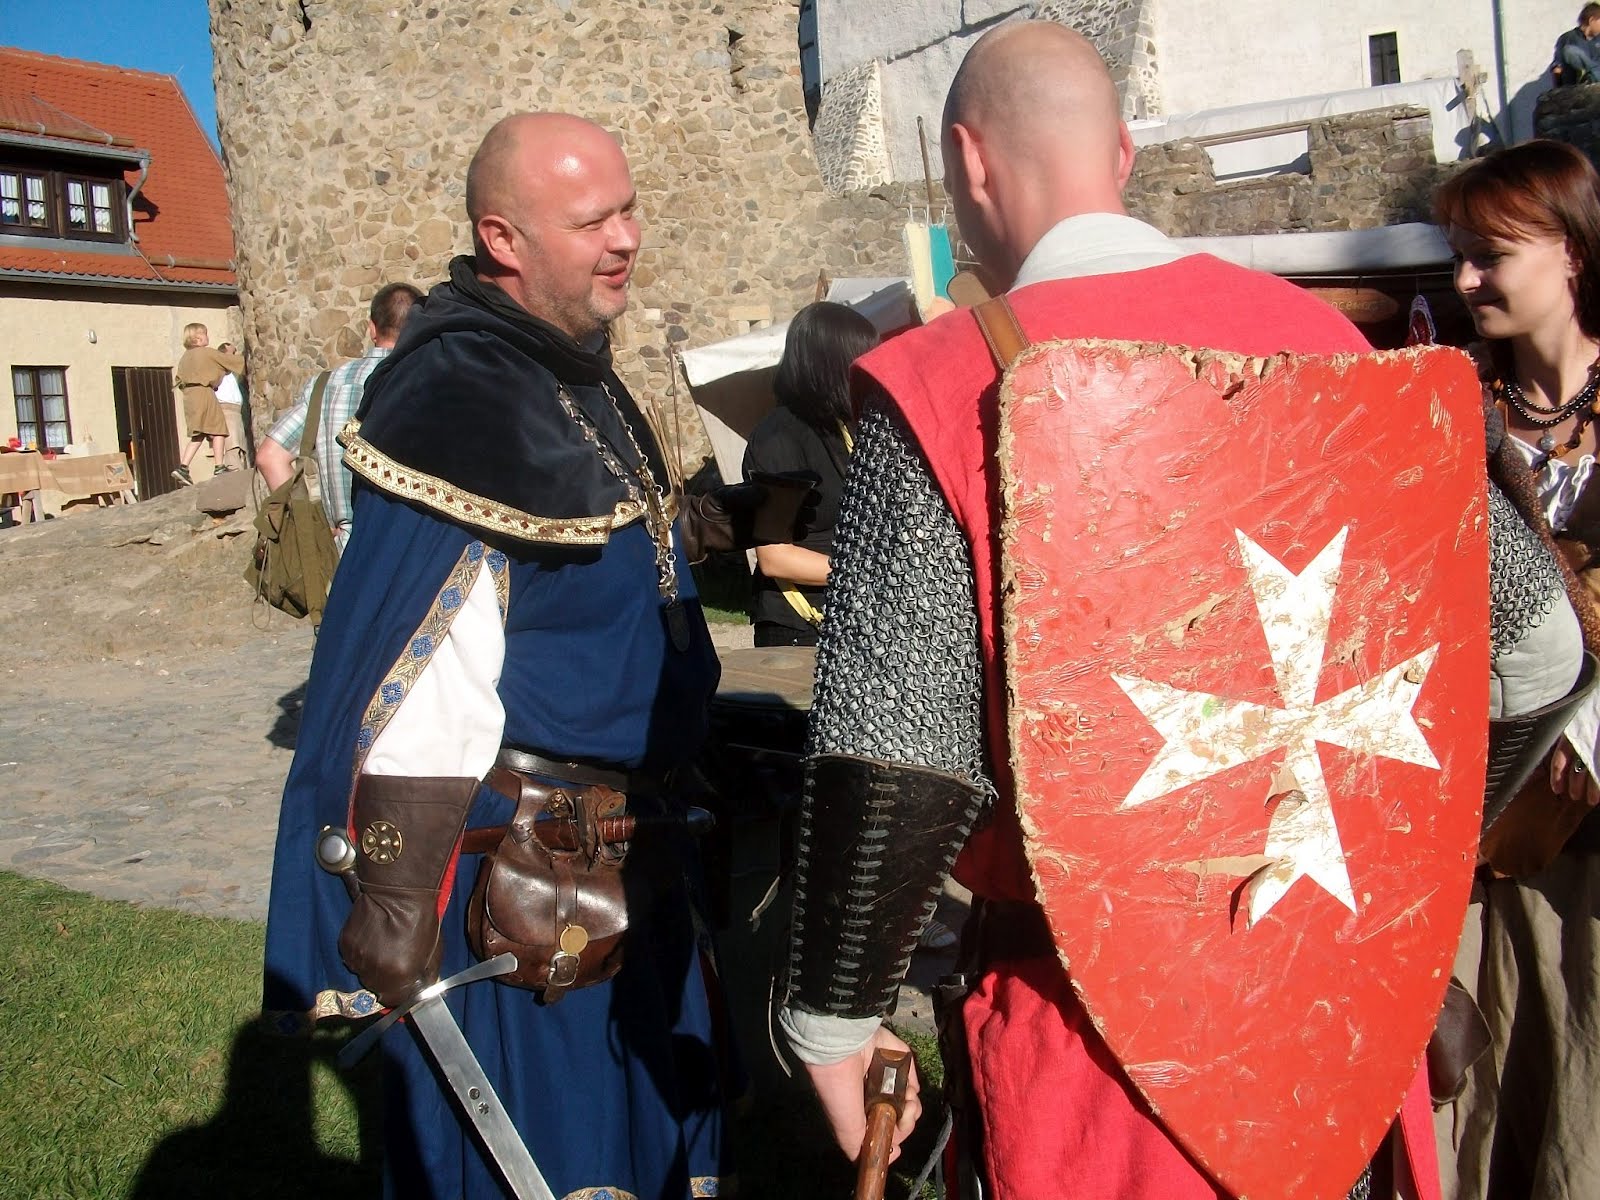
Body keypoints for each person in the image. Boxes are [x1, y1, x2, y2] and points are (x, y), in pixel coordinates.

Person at [775, 21, 1434, 1200]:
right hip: (1332, 999)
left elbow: (897, 754)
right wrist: (1409, 897)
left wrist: (831, 1020)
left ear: (968, 163)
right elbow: (1530, 642)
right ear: (1123, 152)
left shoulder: (946, 385)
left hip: (1101, 1042)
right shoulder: (1335, 344)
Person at [260, 114, 770, 1199]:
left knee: (646, 1150)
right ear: (503, 238)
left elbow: (593, 562)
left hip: (634, 848)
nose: (626, 238)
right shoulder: (463, 396)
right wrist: (396, 903)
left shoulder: (569, 367)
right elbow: (421, 670)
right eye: (592, 222)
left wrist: (706, 530)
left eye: (629, 210)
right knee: (556, 1159)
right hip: (534, 881)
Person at [1433, 138, 1600, 1200]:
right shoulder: (1442, 410)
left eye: (1489, 255)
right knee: (1470, 1100)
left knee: (1579, 1107)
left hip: (1593, 835)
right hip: (1475, 816)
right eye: (1457, 253)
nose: (1464, 278)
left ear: (1572, 251)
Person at [742, 301, 877, 648]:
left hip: (851, 613)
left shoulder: (844, 427)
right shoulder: (778, 437)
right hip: (799, 629)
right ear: (832, 363)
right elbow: (775, 557)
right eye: (862, 356)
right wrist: (870, 575)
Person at [255, 282, 422, 551]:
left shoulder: (325, 387)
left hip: (345, 551)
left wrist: (310, 530)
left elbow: (270, 456)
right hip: (417, 551)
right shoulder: (433, 383)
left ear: (371, 328)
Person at [170, 323, 244, 485]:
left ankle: (183, 467)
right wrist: (241, 358)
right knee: (219, 429)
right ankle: (219, 466)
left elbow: (180, 380)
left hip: (190, 396)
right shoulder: (207, 352)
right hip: (204, 393)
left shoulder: (185, 358)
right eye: (204, 334)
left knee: (198, 433)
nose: (207, 337)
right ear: (197, 338)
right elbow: (227, 362)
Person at [214, 342, 249, 471]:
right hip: (226, 409)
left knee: (240, 445)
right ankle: (234, 470)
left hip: (236, 411)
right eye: (232, 353)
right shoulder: (218, 369)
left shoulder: (231, 373)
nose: (234, 357)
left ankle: (238, 469)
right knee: (232, 444)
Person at [1552, 4, 1600, 85]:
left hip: (1596, 79)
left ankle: (1592, 77)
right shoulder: (1568, 38)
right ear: (1591, 20)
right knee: (1570, 51)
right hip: (1577, 86)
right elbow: (1558, 68)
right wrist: (1558, 90)